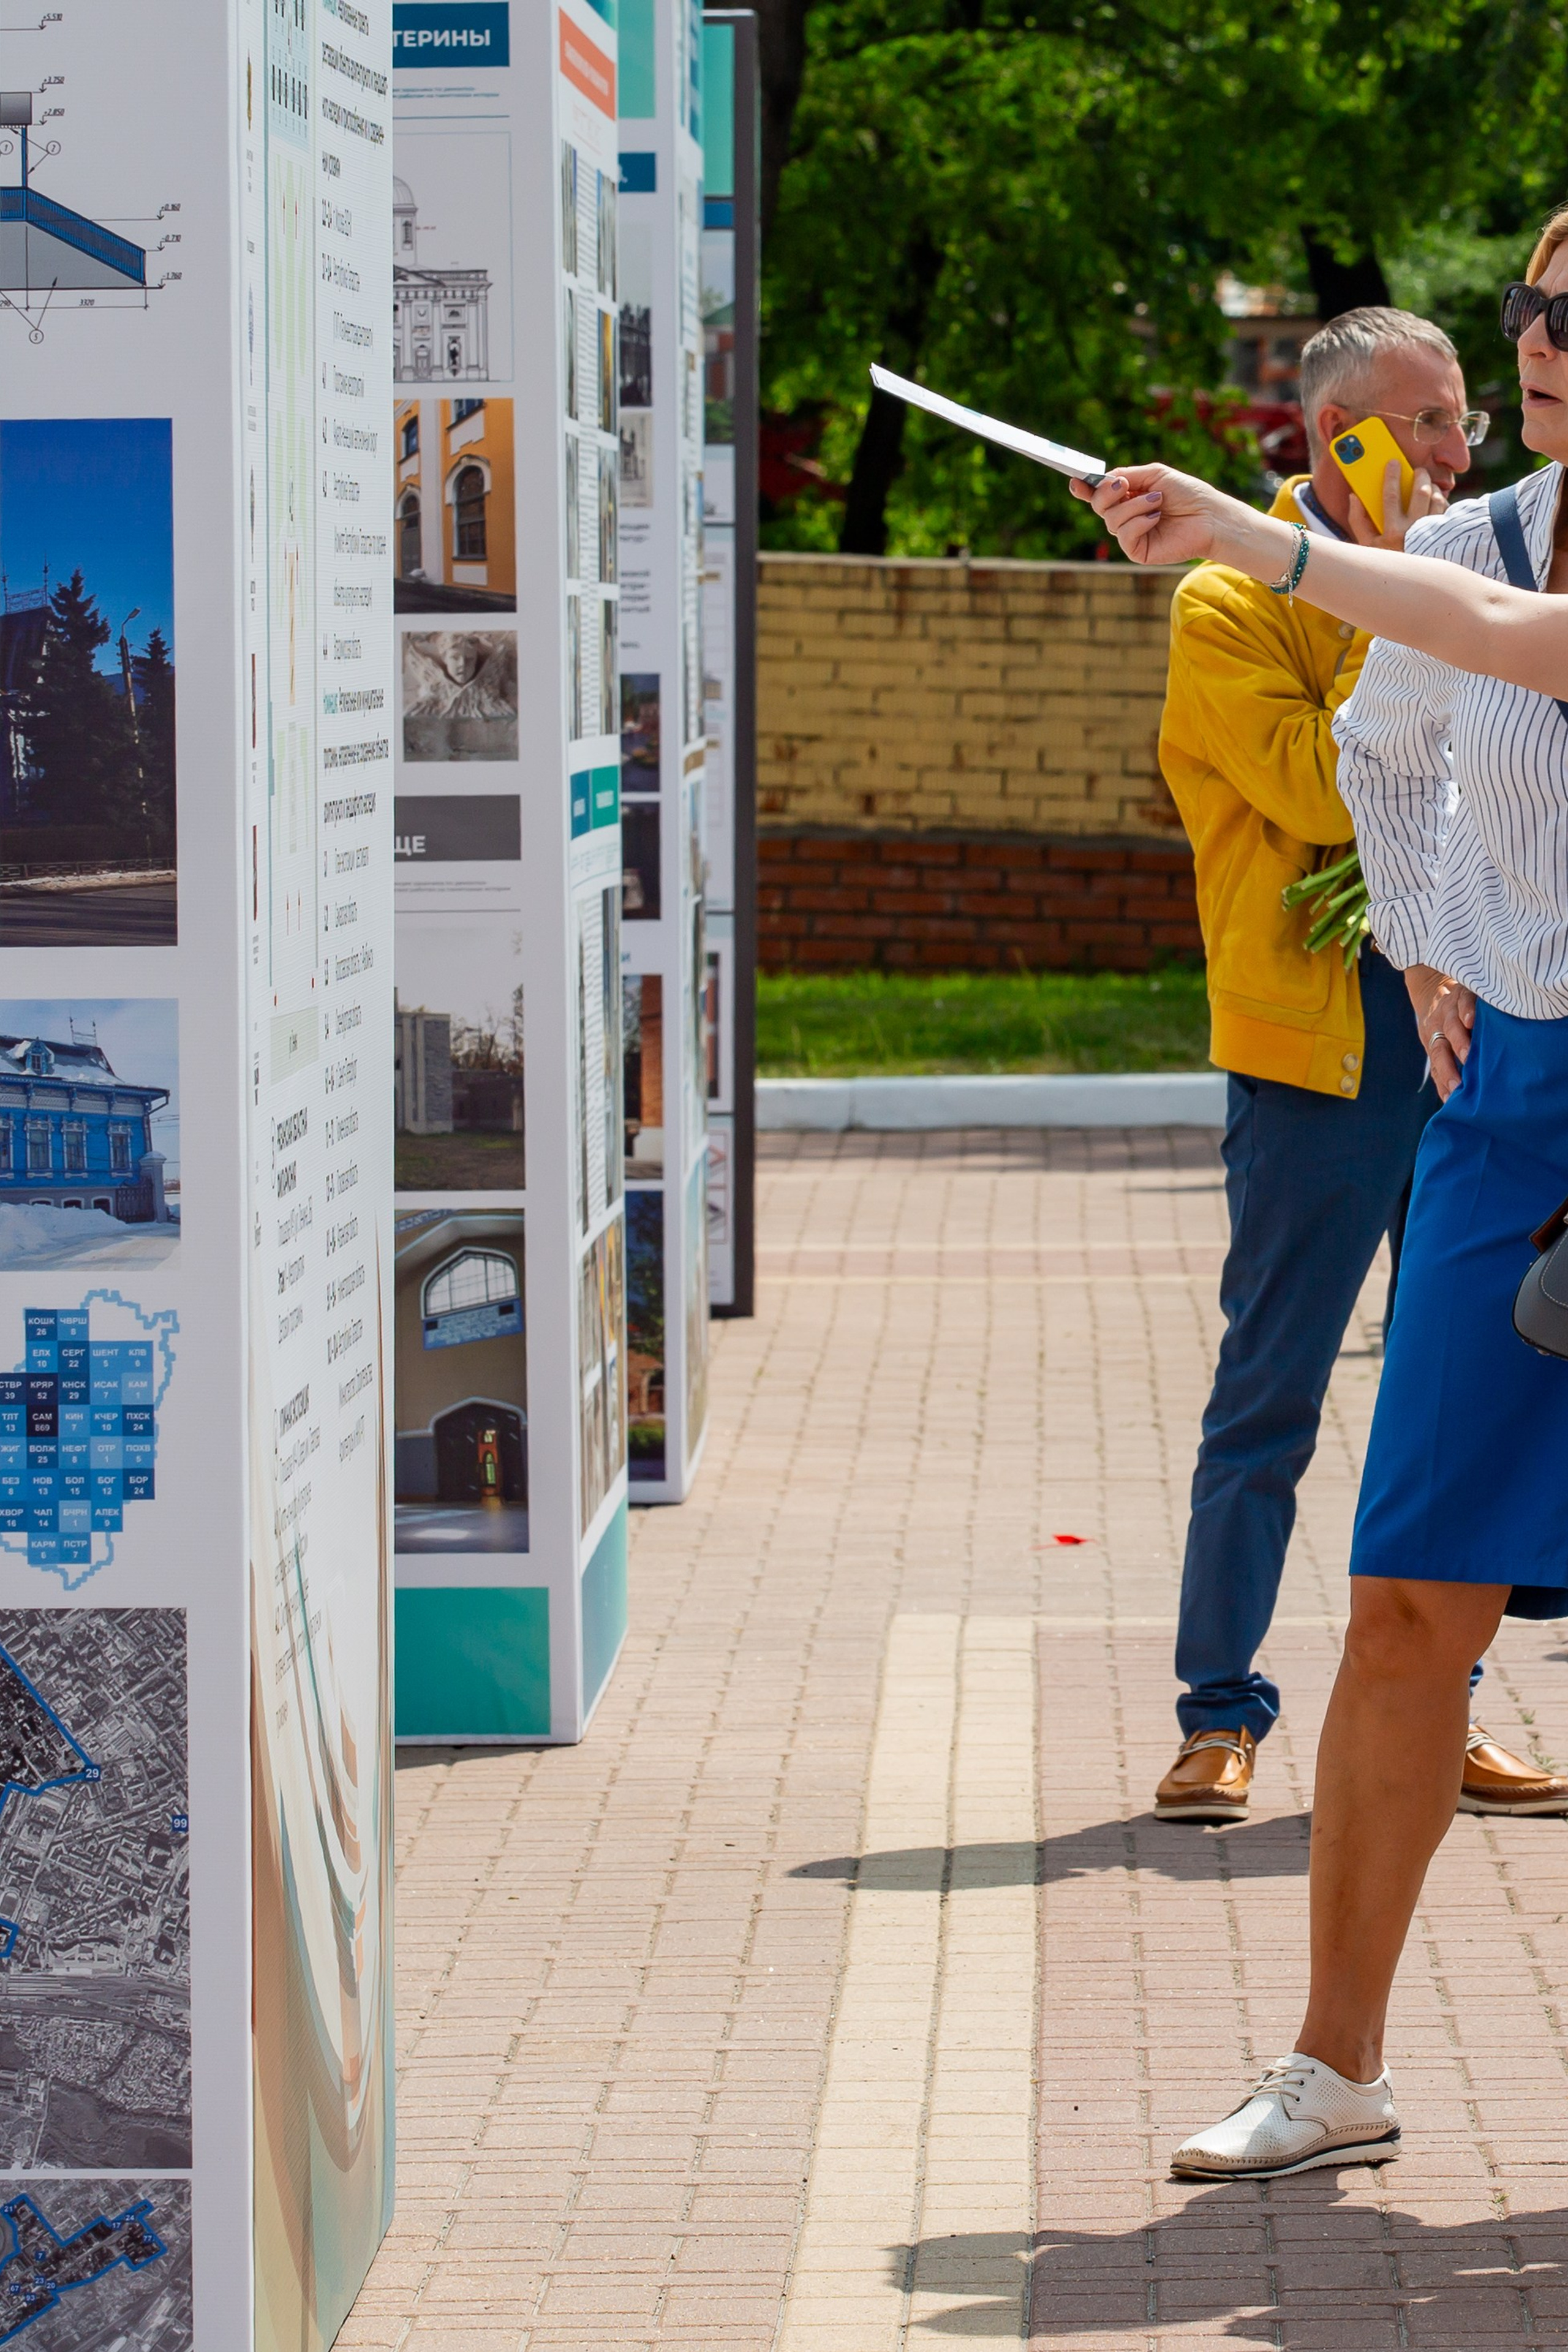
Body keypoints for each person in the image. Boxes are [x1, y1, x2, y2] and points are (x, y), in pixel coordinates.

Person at [1076, 206, 1568, 2180]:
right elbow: (1388, 745)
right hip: (1517, 1112)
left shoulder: (1452, 575)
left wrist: (1261, 535)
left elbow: (1530, 655)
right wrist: (1437, 949)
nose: (1543, 340)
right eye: (1538, 304)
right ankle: (1334, 2069)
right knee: (1401, 1605)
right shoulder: (1457, 543)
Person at [1151, 308, 1567, 1829]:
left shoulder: (1468, 551)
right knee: (1270, 1388)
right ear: (1342, 441)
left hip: (1467, 1029)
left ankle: (1435, 1711)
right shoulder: (1224, 600)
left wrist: (1428, 591)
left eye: (1463, 417)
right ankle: (1217, 1713)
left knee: (1446, 1388)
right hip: (1315, 1047)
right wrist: (1403, 593)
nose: (1456, 450)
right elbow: (1328, 781)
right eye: (1426, 424)